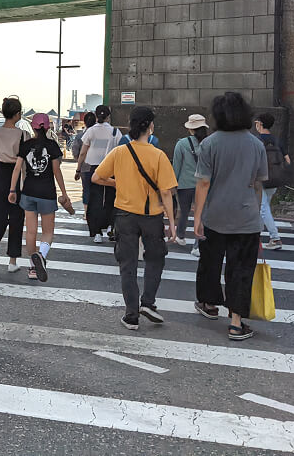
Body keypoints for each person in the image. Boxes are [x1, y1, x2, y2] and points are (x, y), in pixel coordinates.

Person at [92, 106, 178, 329]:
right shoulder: (158, 155)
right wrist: (172, 223)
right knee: (155, 259)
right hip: (152, 217)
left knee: (127, 264)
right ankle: (148, 302)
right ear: (150, 126)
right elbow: (167, 192)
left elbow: (97, 177)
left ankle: (131, 315)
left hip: (125, 215)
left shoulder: (120, 152)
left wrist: (117, 182)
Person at [193, 92, 268, 342]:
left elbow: (203, 183)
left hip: (215, 215)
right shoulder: (256, 144)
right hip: (246, 217)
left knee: (210, 263)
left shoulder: (210, 143)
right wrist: (255, 214)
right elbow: (258, 185)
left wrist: (198, 217)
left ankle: (209, 304)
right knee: (241, 269)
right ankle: (236, 323)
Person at [8, 113, 73, 282]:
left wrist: (12, 191)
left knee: (30, 231)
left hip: (28, 192)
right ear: (48, 126)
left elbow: (16, 169)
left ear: (34, 128)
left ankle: (32, 266)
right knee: (48, 232)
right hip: (47, 193)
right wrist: (64, 193)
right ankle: (41, 257)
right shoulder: (52, 146)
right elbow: (56, 171)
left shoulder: (26, 145)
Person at [0, 97, 31, 272]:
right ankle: (12, 262)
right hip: (16, 178)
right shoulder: (23, 135)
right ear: (17, 114)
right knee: (17, 217)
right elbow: (25, 164)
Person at [75, 105, 123, 243]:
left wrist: (78, 169)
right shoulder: (115, 131)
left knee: (94, 200)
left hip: (93, 168)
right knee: (110, 199)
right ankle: (110, 226)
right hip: (110, 168)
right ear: (108, 116)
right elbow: (120, 150)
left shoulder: (90, 131)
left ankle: (96, 232)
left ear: (96, 116)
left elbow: (83, 152)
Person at [171, 114, 210, 247]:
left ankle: (180, 236)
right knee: (201, 214)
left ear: (190, 129)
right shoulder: (210, 144)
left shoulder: (181, 144)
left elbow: (176, 165)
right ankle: (198, 244)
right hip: (204, 184)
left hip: (185, 184)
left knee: (184, 211)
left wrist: (173, 184)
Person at [254, 113, 291, 250]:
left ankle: (275, 238)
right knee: (264, 207)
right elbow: (287, 160)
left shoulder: (256, 140)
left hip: (261, 179)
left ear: (260, 124)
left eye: (256, 123)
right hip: (275, 179)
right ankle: (255, 234)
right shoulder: (277, 140)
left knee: (263, 208)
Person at [72, 112, 96, 207]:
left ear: (84, 123)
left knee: (86, 189)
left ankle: (86, 212)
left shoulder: (80, 136)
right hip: (99, 166)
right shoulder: (99, 135)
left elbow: (77, 152)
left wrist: (78, 167)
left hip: (85, 167)